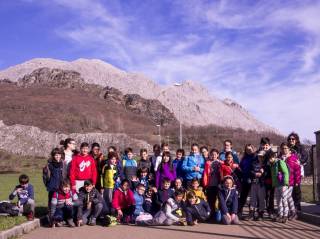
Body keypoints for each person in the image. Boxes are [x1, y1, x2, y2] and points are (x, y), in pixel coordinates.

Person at [280, 143, 301, 220]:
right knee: (288, 197)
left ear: (289, 149)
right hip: (282, 181)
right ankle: (293, 212)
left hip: (290, 181)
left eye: (285, 148)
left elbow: (297, 171)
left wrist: (297, 181)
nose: (284, 150)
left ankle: (286, 213)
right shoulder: (281, 158)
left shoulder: (294, 158)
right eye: (282, 148)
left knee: (285, 197)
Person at [287, 132, 307, 211]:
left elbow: (305, 156)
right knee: (290, 188)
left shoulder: (300, 147)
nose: (291, 140)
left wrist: (300, 161)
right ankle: (291, 206)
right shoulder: (287, 147)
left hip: (297, 170)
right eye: (289, 139)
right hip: (289, 171)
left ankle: (297, 206)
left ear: (296, 140)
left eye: (293, 139)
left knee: (296, 187)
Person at [268, 151, 289, 223]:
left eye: (270, 158)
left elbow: (286, 172)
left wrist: (285, 183)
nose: (269, 160)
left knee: (284, 200)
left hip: (282, 184)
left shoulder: (280, 162)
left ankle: (285, 216)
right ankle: (280, 215)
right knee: (278, 201)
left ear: (273, 157)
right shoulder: (272, 165)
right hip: (276, 185)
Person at [238, 144, 256, 217]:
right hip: (244, 179)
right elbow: (241, 168)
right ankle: (239, 211)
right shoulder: (244, 158)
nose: (248, 151)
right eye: (247, 149)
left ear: (253, 149)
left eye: (250, 149)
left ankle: (251, 213)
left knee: (252, 197)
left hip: (252, 179)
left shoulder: (255, 157)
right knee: (243, 196)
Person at [248, 151, 266, 221]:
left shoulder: (266, 164)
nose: (260, 158)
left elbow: (267, 173)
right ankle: (251, 214)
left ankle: (260, 214)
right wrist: (255, 174)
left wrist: (262, 173)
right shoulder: (254, 163)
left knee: (261, 199)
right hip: (254, 183)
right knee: (253, 199)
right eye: (259, 156)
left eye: (262, 156)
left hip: (262, 184)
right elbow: (251, 171)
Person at [260, 137, 275, 218]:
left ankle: (270, 211)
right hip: (263, 178)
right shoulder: (261, 153)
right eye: (263, 145)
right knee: (264, 195)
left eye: (266, 145)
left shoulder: (271, 153)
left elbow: (270, 165)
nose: (264, 147)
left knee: (270, 195)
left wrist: (264, 169)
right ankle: (262, 211)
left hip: (270, 177)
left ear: (269, 145)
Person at [203, 148, 221, 214]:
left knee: (219, 200)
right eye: (212, 154)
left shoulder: (220, 163)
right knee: (210, 200)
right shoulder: (208, 163)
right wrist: (205, 184)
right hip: (210, 184)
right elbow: (205, 174)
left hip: (218, 184)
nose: (213, 156)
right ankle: (211, 214)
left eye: (215, 154)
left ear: (218, 155)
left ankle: (218, 214)